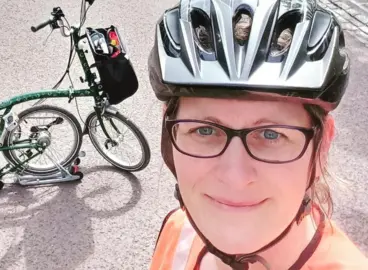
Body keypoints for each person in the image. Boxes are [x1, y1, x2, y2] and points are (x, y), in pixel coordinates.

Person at [147, 0, 368, 269]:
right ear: (171, 138)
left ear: (321, 148)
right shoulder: (177, 231)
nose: (235, 177)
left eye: (272, 134)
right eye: (204, 130)